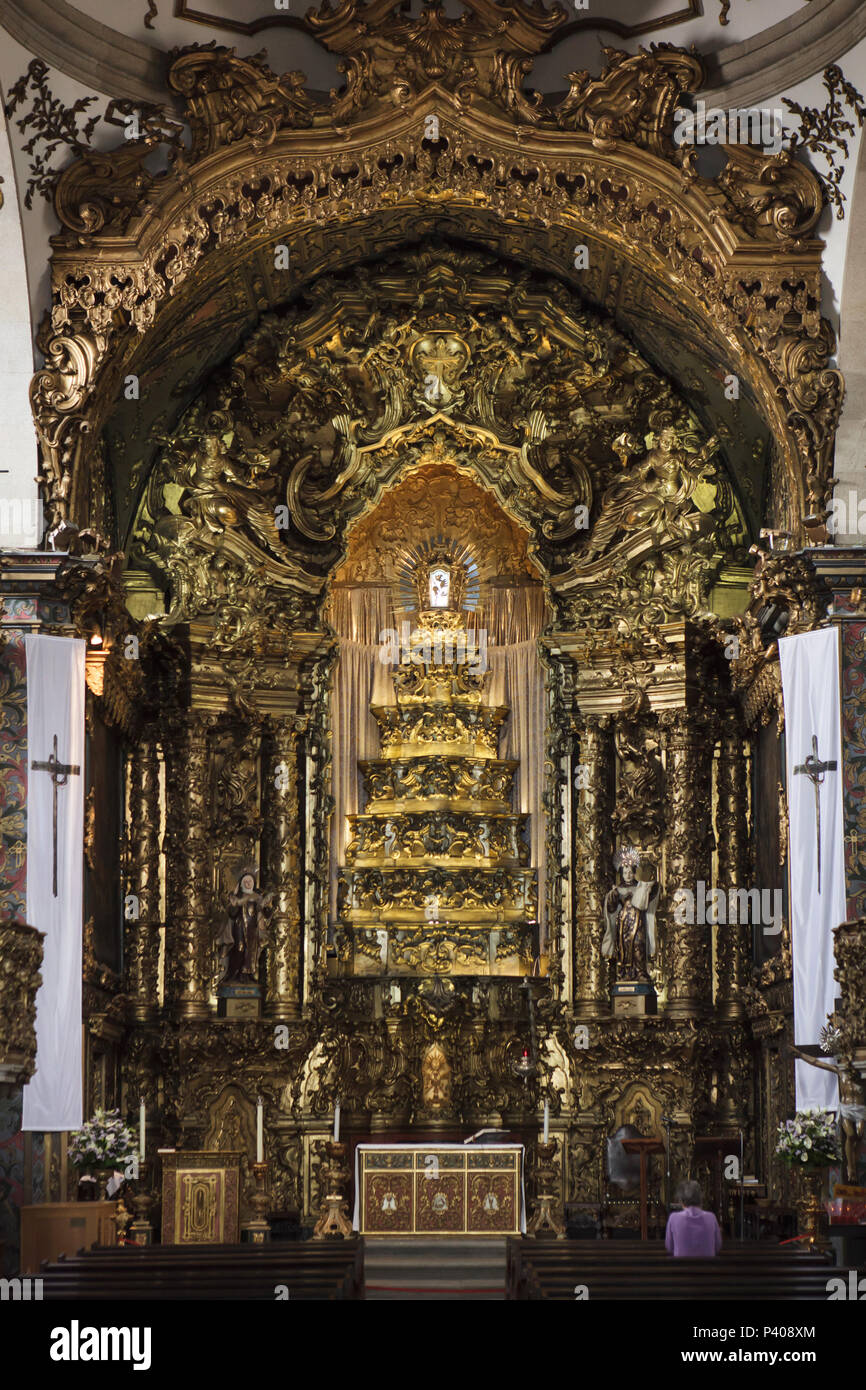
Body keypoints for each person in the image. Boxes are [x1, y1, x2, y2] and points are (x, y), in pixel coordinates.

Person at [665, 1181, 722, 1257]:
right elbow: (717, 1246)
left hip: (681, 1266)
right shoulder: (711, 1217)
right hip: (707, 1267)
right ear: (700, 1198)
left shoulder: (673, 1218)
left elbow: (669, 1247)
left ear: (681, 1200)